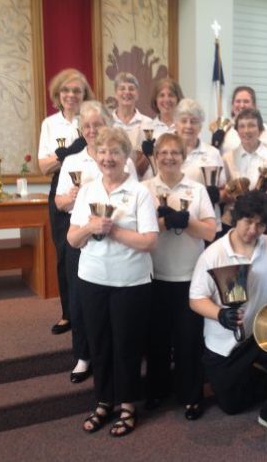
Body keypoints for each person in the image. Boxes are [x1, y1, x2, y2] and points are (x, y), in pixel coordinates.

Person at [189, 190, 267, 440]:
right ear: (236, 218)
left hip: (261, 332)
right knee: (232, 406)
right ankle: (265, 379)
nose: (253, 229)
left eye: (260, 224)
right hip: (224, 346)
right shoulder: (213, 255)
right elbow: (196, 299)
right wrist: (220, 314)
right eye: (248, 221)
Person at [67, 127, 158, 437]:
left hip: (130, 282)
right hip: (92, 279)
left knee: (127, 346)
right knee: (100, 343)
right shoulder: (89, 191)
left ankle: (128, 405)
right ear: (96, 156)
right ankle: (104, 402)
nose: (108, 158)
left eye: (115, 152)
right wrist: (90, 227)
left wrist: (113, 230)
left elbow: (148, 242)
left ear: (126, 157)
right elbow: (72, 239)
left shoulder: (140, 192)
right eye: (103, 152)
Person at [54, 101, 136, 384]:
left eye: (96, 124)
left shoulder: (120, 157)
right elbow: (58, 201)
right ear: (80, 129)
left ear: (106, 126)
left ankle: (111, 356)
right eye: (86, 126)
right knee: (79, 300)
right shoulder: (72, 161)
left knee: (111, 304)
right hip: (82, 236)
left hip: (117, 237)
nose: (91, 130)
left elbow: (133, 191)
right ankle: (83, 355)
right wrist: (73, 198)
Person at [143, 133, 217, 420]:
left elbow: (210, 232)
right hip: (155, 275)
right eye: (164, 152)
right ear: (155, 156)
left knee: (189, 340)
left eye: (175, 152)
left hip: (190, 276)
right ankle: (157, 391)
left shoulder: (196, 190)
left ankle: (191, 395)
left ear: (183, 157)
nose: (169, 157)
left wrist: (186, 222)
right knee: (157, 339)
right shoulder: (145, 188)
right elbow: (141, 233)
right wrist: (163, 222)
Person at [38, 68, 94, 335]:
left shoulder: (91, 119)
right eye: (66, 90)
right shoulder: (50, 124)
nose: (71, 95)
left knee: (89, 247)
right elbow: (43, 166)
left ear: (85, 94)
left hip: (92, 187)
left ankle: (88, 307)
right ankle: (68, 313)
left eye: (77, 90)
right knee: (64, 252)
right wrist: (66, 155)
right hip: (62, 189)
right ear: (58, 95)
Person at [221, 108, 267, 229]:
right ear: (237, 131)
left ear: (260, 130)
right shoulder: (227, 158)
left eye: (251, 125)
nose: (246, 130)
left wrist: (264, 204)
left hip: (263, 222)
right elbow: (222, 190)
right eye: (242, 126)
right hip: (233, 222)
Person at [174, 98, 227, 232]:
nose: (188, 126)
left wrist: (217, 196)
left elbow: (224, 189)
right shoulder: (166, 152)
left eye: (194, 121)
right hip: (176, 219)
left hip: (206, 222)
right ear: (176, 123)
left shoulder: (212, 153)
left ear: (201, 126)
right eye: (184, 120)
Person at [111, 72, 153, 180]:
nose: (127, 92)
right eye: (122, 88)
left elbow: (152, 156)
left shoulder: (148, 123)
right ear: (115, 94)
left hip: (143, 181)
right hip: (114, 179)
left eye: (131, 88)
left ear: (137, 94)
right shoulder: (107, 123)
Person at [218, 86, 267, 154]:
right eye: (238, 101)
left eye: (246, 101)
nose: (242, 105)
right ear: (232, 105)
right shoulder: (224, 129)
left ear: (254, 105)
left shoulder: (262, 128)